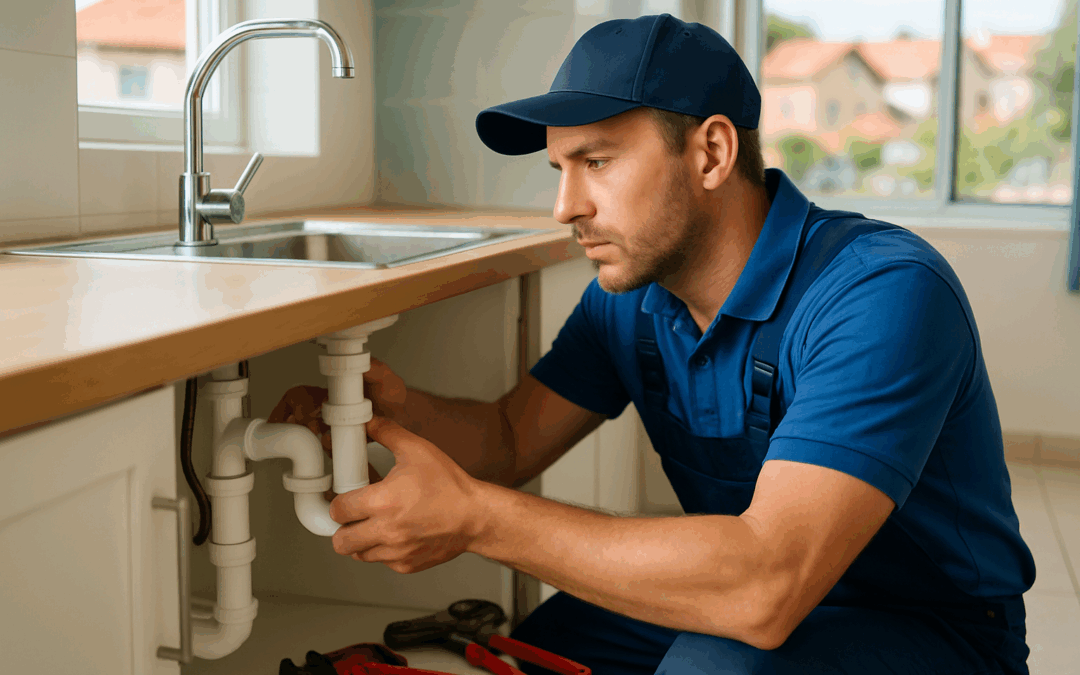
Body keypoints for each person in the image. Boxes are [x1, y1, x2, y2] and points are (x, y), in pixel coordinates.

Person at [270, 13, 1036, 674]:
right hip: (753, 583)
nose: (566, 206)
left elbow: (767, 586)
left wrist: (477, 517)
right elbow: (507, 438)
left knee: (716, 660)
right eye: (559, 169)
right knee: (534, 650)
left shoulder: (880, 294)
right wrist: (401, 413)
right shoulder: (635, 302)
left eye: (597, 162)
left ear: (710, 153)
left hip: (931, 632)